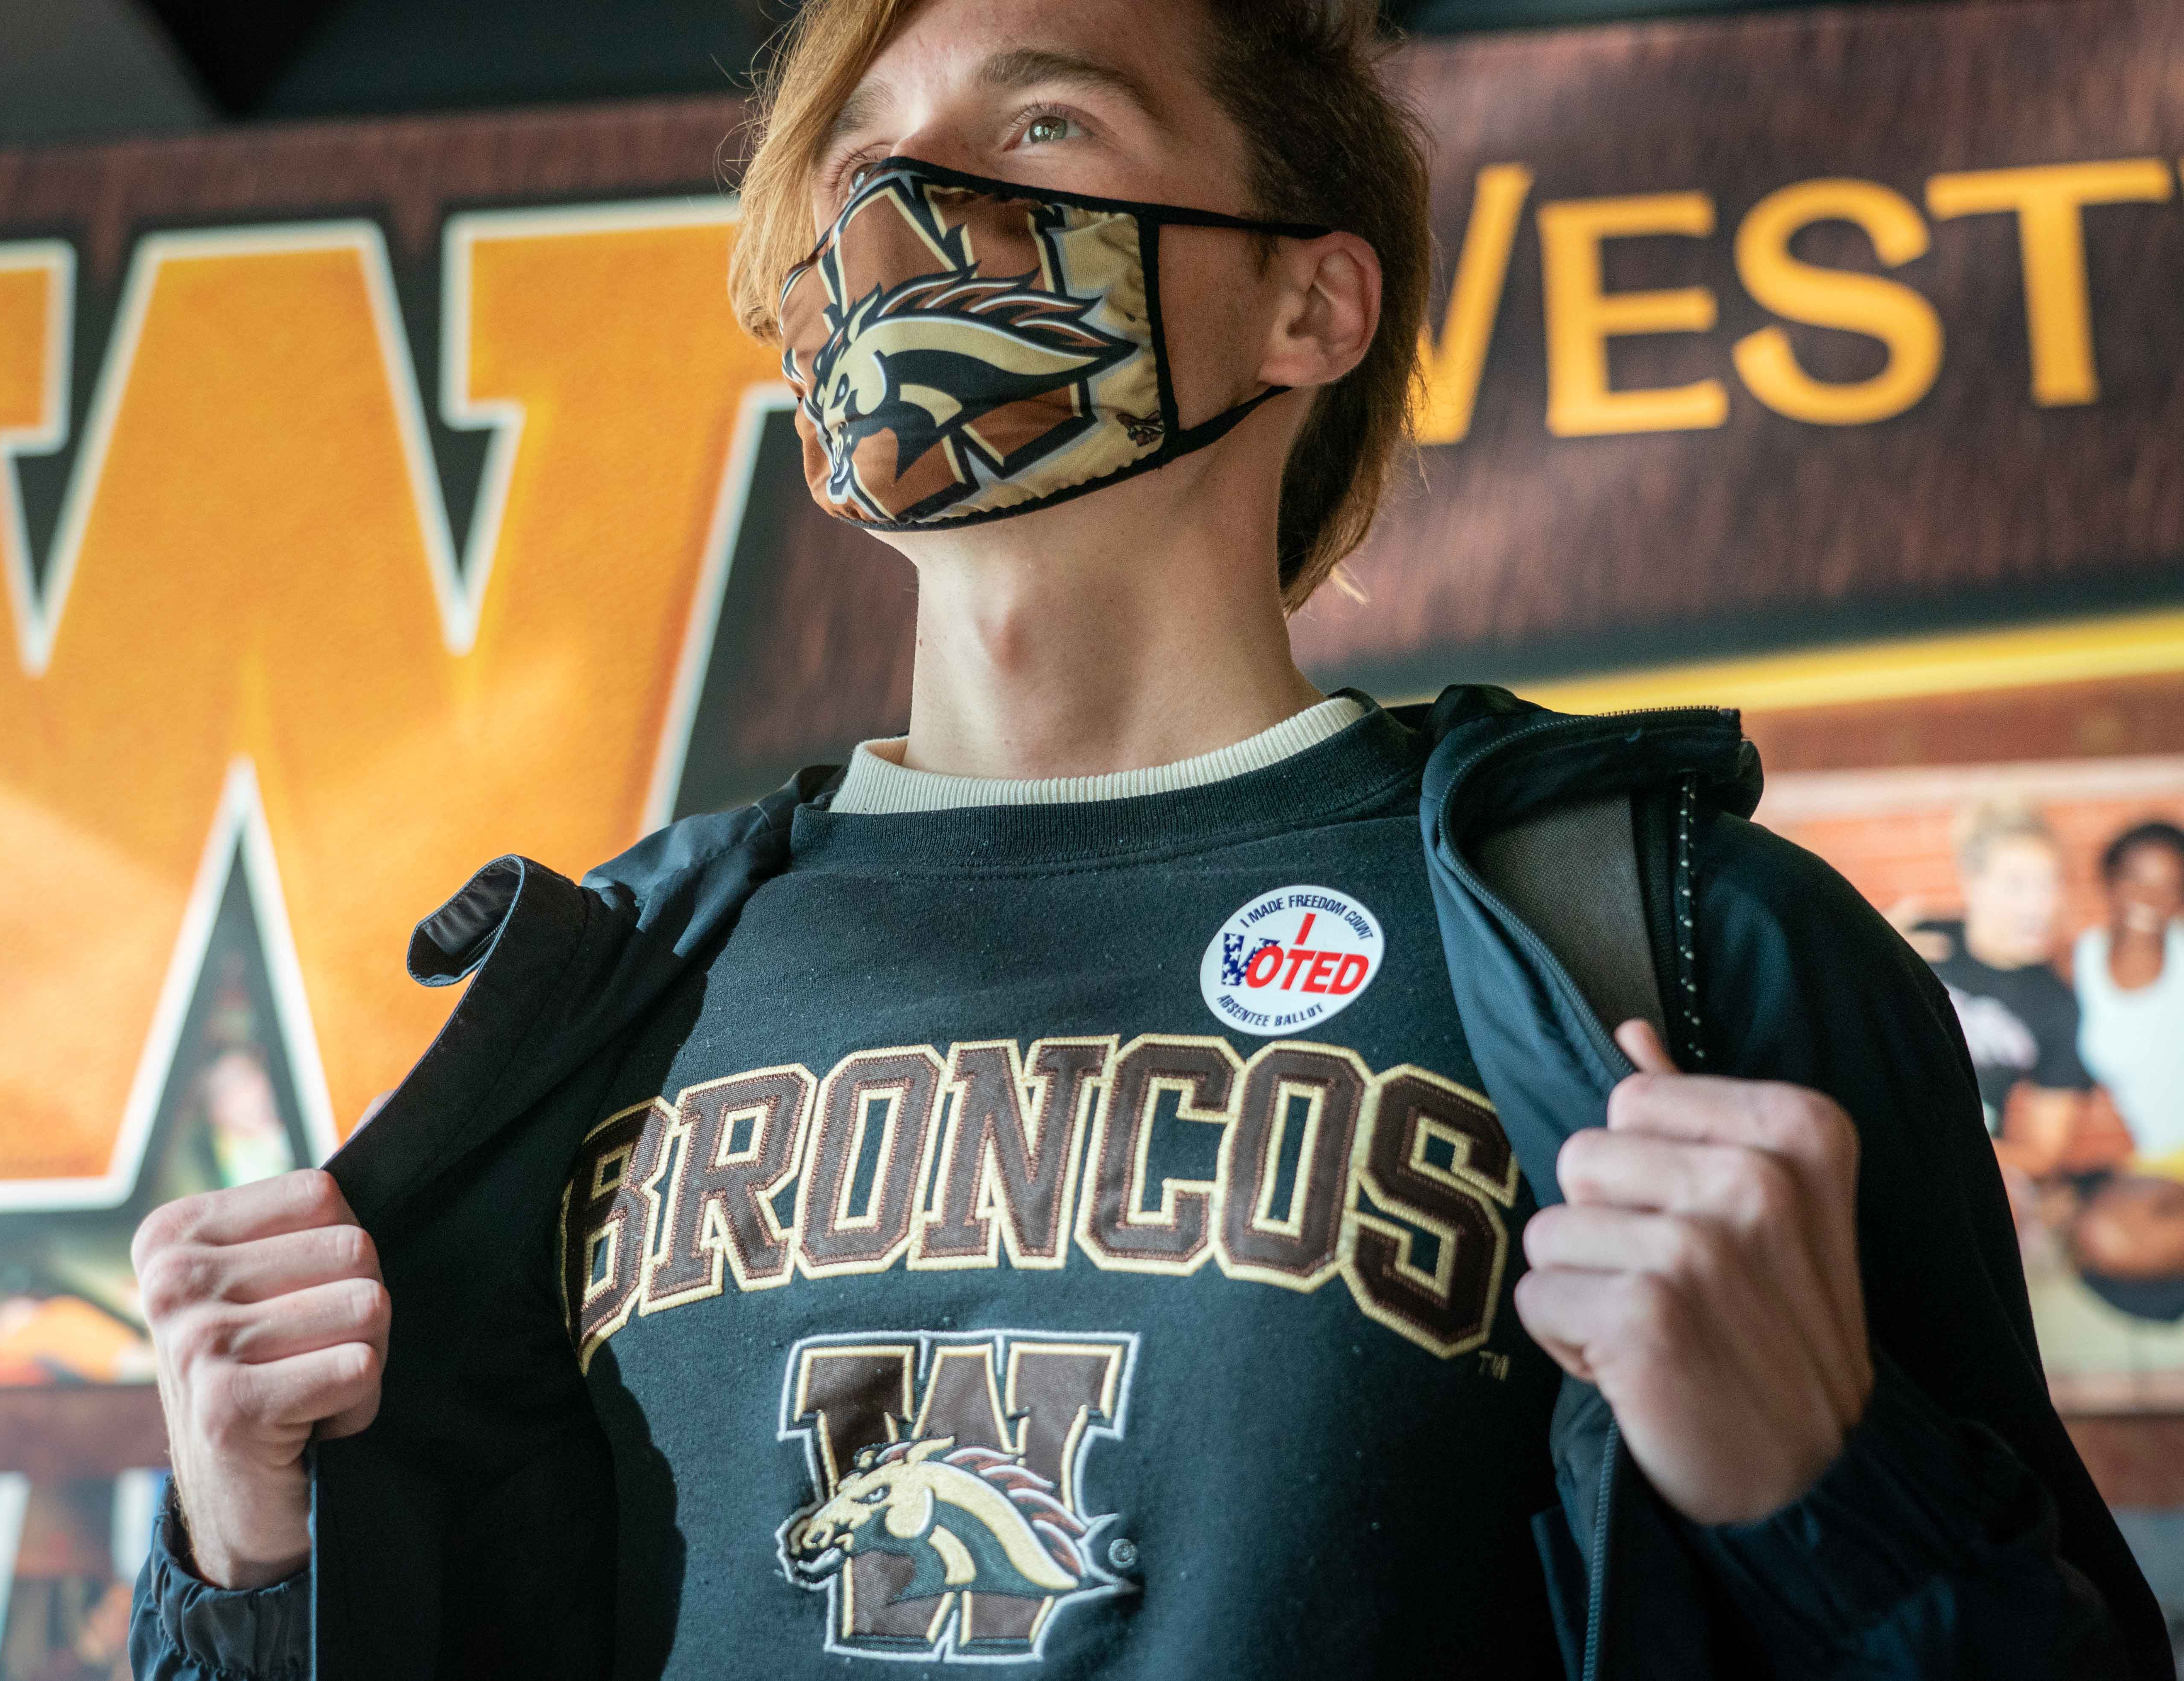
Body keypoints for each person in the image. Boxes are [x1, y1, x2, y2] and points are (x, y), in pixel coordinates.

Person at [126, 1, 2166, 1676]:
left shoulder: (1671, 952)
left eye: (1048, 129)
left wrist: (1821, 1489)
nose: (916, 217)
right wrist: (242, 1561)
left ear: (1309, 304)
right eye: (863, 170)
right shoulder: (603, 1003)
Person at [1899, 801, 2093, 1177]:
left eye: (2049, 883)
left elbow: (2044, 1154)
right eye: (2017, 884)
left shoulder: (2056, 1003)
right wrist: (1863, 946)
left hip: (1968, 1175)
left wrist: (1951, 1152)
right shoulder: (1915, 940)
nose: (2040, 904)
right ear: (1972, 883)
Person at [2069, 821, 2184, 1311]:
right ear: (2110, 880)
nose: (2148, 897)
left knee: (2106, 1235)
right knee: (2109, 1238)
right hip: (2155, 1157)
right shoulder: (2078, 962)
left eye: (2169, 884)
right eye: (2136, 877)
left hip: (2156, 1165)